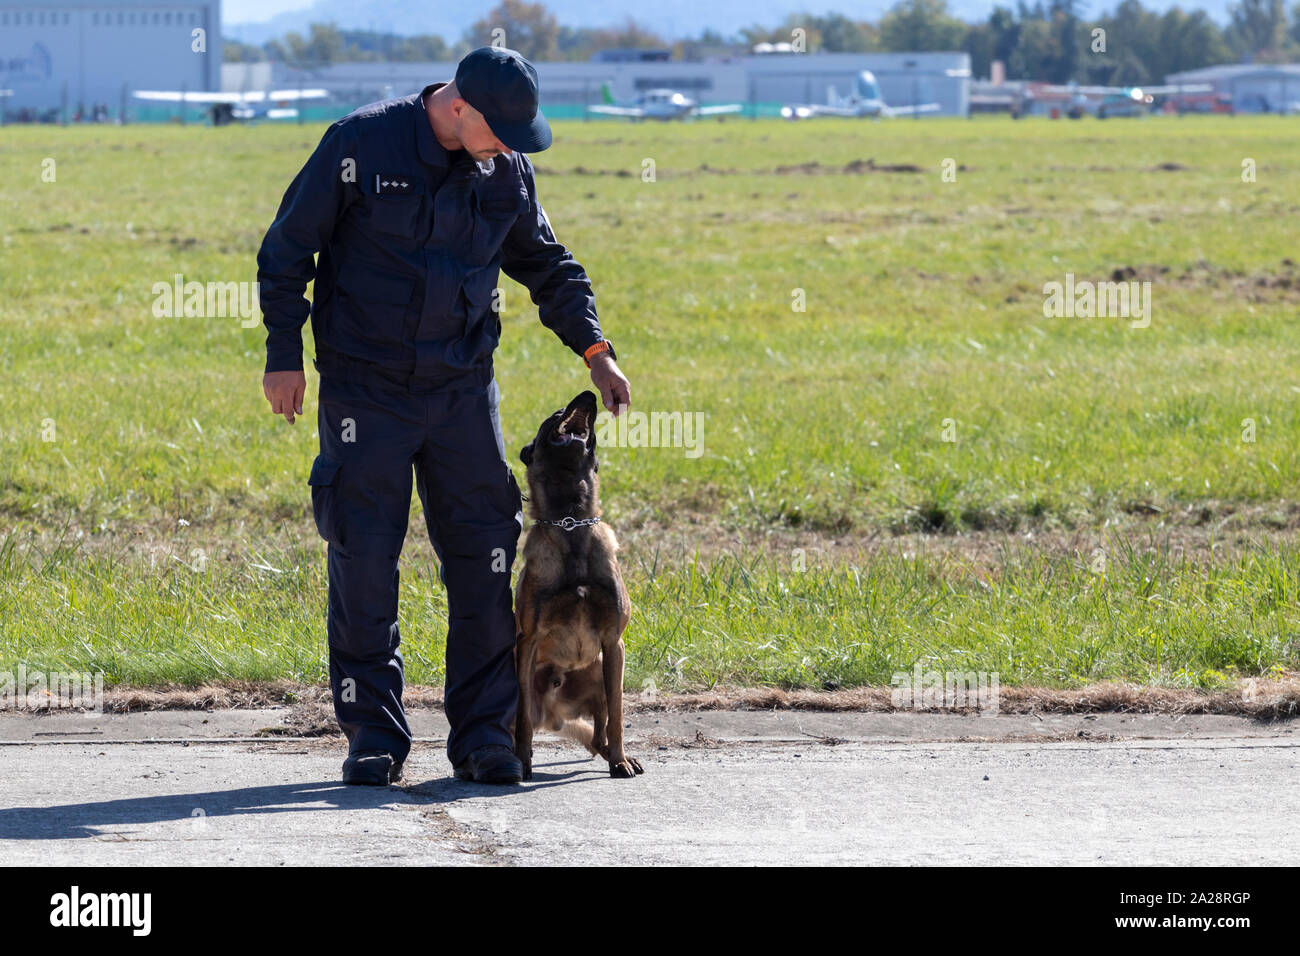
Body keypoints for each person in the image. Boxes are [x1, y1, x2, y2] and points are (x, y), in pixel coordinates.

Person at [256, 46, 631, 786]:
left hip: (461, 390)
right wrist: (282, 354)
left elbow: (548, 265)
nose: (510, 150)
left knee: (486, 561)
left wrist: (595, 350)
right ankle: (373, 736)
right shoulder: (360, 145)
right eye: (500, 132)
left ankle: (487, 736)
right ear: (457, 107)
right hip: (367, 389)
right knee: (363, 559)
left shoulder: (505, 170)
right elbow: (287, 248)